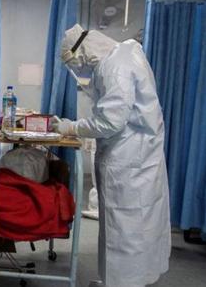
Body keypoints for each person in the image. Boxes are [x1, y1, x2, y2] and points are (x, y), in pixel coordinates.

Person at [52, 24, 171, 287]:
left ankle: (122, 282)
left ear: (82, 52)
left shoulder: (114, 68)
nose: (78, 69)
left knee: (125, 231)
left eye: (75, 63)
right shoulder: (126, 52)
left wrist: (72, 127)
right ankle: (117, 280)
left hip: (129, 160)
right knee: (134, 227)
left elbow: (110, 122)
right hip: (140, 155)